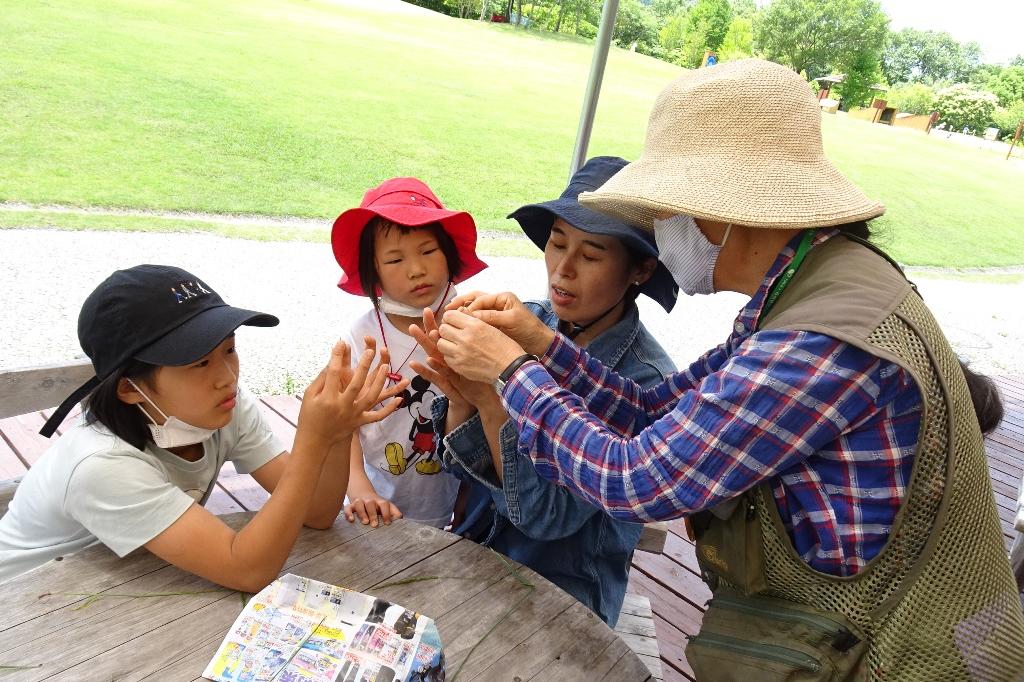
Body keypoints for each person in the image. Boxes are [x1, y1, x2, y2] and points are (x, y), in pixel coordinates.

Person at [427, 60, 1024, 678]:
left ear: (723, 210)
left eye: (664, 210)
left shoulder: (814, 347)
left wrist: (510, 373)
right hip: (850, 629)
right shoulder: (815, 286)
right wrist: (540, 344)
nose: (660, 233)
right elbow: (655, 411)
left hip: (896, 656)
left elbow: (635, 479)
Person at [0, 265, 404, 590]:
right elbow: (245, 569)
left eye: (229, 349)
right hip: (27, 610)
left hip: (121, 583)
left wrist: (335, 431)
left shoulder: (223, 405)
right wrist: (313, 439)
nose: (227, 376)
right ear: (129, 388)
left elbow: (316, 512)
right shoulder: (101, 464)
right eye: (199, 362)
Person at [412, 156, 677, 626]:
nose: (563, 269)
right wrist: (459, 397)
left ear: (640, 270)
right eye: (556, 244)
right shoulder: (524, 319)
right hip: (476, 557)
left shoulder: (643, 384)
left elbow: (544, 518)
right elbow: (463, 470)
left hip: (565, 598)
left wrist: (493, 400)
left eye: (591, 255)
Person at [330, 177, 487, 529]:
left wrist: (470, 497)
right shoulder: (364, 337)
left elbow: (486, 420)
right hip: (375, 503)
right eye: (395, 259)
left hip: (453, 504)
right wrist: (358, 486)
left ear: (449, 254)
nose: (416, 269)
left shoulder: (471, 324)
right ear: (373, 274)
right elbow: (344, 425)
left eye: (429, 251)